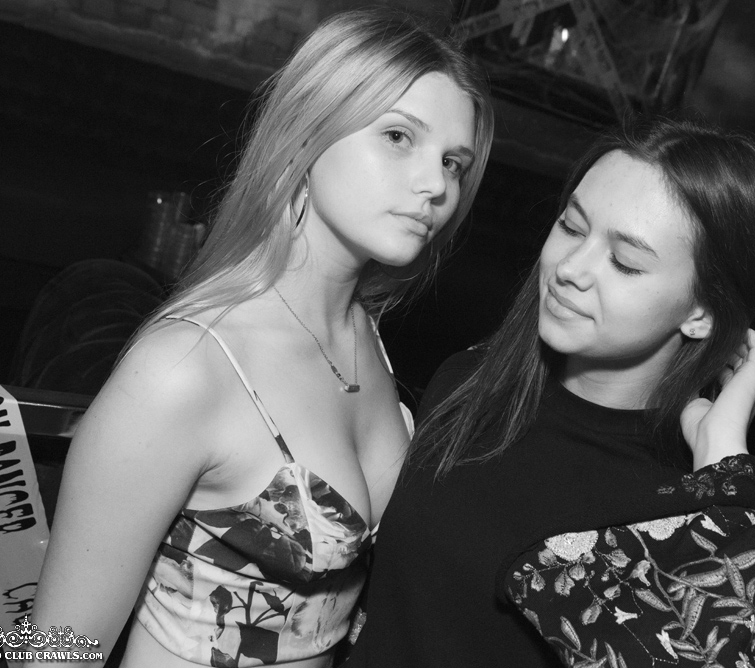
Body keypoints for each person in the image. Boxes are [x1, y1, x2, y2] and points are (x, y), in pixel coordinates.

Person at [28, 9, 492, 668]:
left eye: (453, 162)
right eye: (397, 136)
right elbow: (53, 650)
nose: (436, 184)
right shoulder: (186, 368)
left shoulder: (363, 335)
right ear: (309, 131)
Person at [346, 117, 755, 668]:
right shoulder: (470, 381)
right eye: (571, 226)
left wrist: (726, 465)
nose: (570, 269)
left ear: (702, 312)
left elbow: (750, 652)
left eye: (625, 263)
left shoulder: (677, 502)